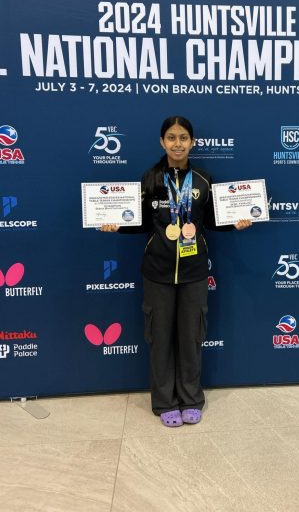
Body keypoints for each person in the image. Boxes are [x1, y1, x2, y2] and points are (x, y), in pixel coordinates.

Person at [101, 116, 251, 427]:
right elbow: (140, 223)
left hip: (194, 272)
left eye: (184, 137)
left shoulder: (203, 180)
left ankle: (192, 398)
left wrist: (235, 222)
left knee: (192, 336)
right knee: (160, 337)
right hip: (157, 272)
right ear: (162, 142)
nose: (178, 143)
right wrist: (116, 225)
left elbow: (211, 220)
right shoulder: (151, 179)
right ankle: (164, 401)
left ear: (192, 142)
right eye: (171, 137)